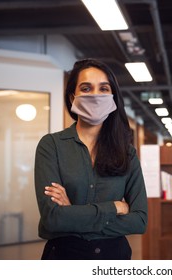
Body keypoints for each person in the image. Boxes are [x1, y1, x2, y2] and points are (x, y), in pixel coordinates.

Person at [34, 58, 148, 260]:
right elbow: (52, 219)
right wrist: (114, 207)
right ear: (72, 97)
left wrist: (72, 215)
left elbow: (139, 221)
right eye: (86, 88)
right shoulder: (52, 145)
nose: (95, 95)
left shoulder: (127, 153)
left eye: (103, 89)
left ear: (112, 97)